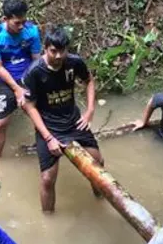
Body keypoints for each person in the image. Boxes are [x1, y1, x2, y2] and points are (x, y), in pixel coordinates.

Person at [22, 26, 103, 212]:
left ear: (67, 49)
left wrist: (90, 110)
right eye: (53, 51)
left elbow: (88, 80)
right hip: (48, 127)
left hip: (74, 121)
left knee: (98, 164)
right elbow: (30, 107)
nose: (58, 56)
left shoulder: (74, 62)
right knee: (48, 179)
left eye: (62, 50)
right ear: (45, 48)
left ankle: (101, 199)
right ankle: (48, 219)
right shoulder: (34, 72)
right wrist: (49, 138)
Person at [0, 0, 41, 157]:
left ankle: (42, 147)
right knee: (0, 124)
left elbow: (37, 59)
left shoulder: (32, 31)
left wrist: (29, 84)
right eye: (17, 23)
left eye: (24, 21)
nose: (21, 26)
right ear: (5, 19)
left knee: (40, 114)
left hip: (29, 77)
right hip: (8, 82)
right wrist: (17, 89)